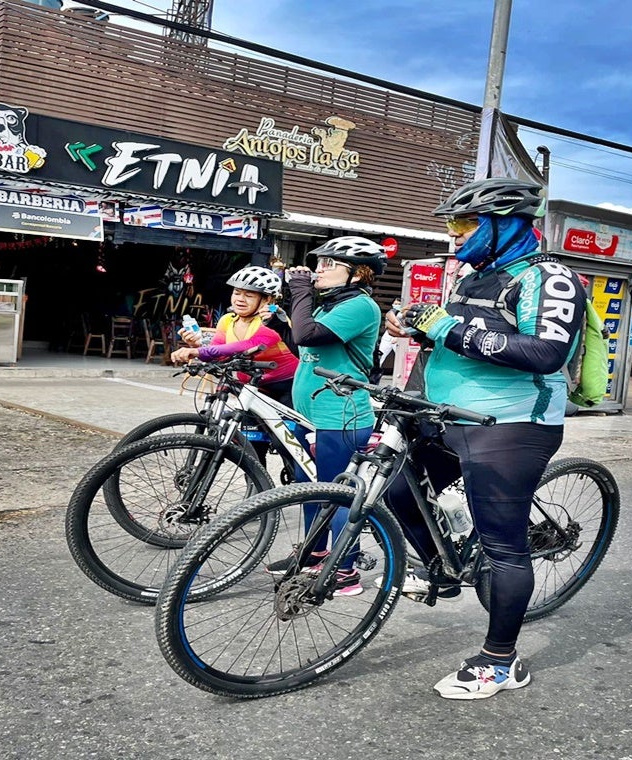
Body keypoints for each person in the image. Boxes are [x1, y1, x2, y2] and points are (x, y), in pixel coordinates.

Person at [383, 177, 587, 700]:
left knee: (503, 548)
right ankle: (441, 570)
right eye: (453, 224)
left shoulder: (550, 277)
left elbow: (546, 353)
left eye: (465, 223)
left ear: (507, 223)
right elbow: (457, 337)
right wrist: (417, 327)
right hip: (448, 411)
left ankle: (501, 662)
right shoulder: (475, 278)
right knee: (396, 487)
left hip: (513, 424)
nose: (455, 235)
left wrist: (446, 329)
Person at [266, 236, 386, 597]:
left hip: (340, 416)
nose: (318, 269)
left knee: (336, 495)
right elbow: (299, 342)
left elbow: (306, 334)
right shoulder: (331, 305)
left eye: (329, 264)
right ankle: (314, 553)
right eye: (319, 262)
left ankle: (345, 568)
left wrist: (299, 290)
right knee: (307, 490)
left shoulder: (361, 306)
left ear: (358, 273)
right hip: (308, 414)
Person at [170, 265, 297, 406]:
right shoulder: (227, 320)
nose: (240, 299)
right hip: (253, 386)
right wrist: (196, 346)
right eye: (237, 293)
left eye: (249, 295)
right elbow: (219, 352)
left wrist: (197, 351)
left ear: (267, 299)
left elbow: (247, 346)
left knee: (289, 426)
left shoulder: (272, 322)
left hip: (287, 386)